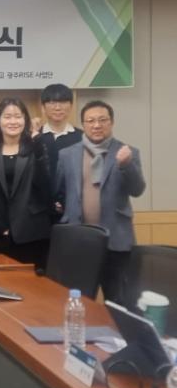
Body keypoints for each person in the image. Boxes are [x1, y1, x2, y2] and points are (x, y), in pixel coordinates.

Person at [56, 100, 145, 304]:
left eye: (102, 120)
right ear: (83, 124)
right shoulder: (67, 154)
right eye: (91, 121)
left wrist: (126, 165)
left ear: (111, 122)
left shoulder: (128, 152)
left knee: (118, 302)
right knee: (79, 301)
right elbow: (59, 190)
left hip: (116, 241)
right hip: (79, 240)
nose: (97, 125)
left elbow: (137, 190)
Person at [0, 98, 53, 270]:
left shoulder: (36, 145)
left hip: (32, 232)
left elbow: (46, 187)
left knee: (32, 283)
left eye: (18, 116)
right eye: (7, 117)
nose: (13, 121)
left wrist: (39, 150)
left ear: (25, 120)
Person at [34, 84, 83, 183]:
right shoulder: (34, 136)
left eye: (63, 102)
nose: (58, 108)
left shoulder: (82, 137)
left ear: (71, 106)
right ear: (43, 107)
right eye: (52, 102)